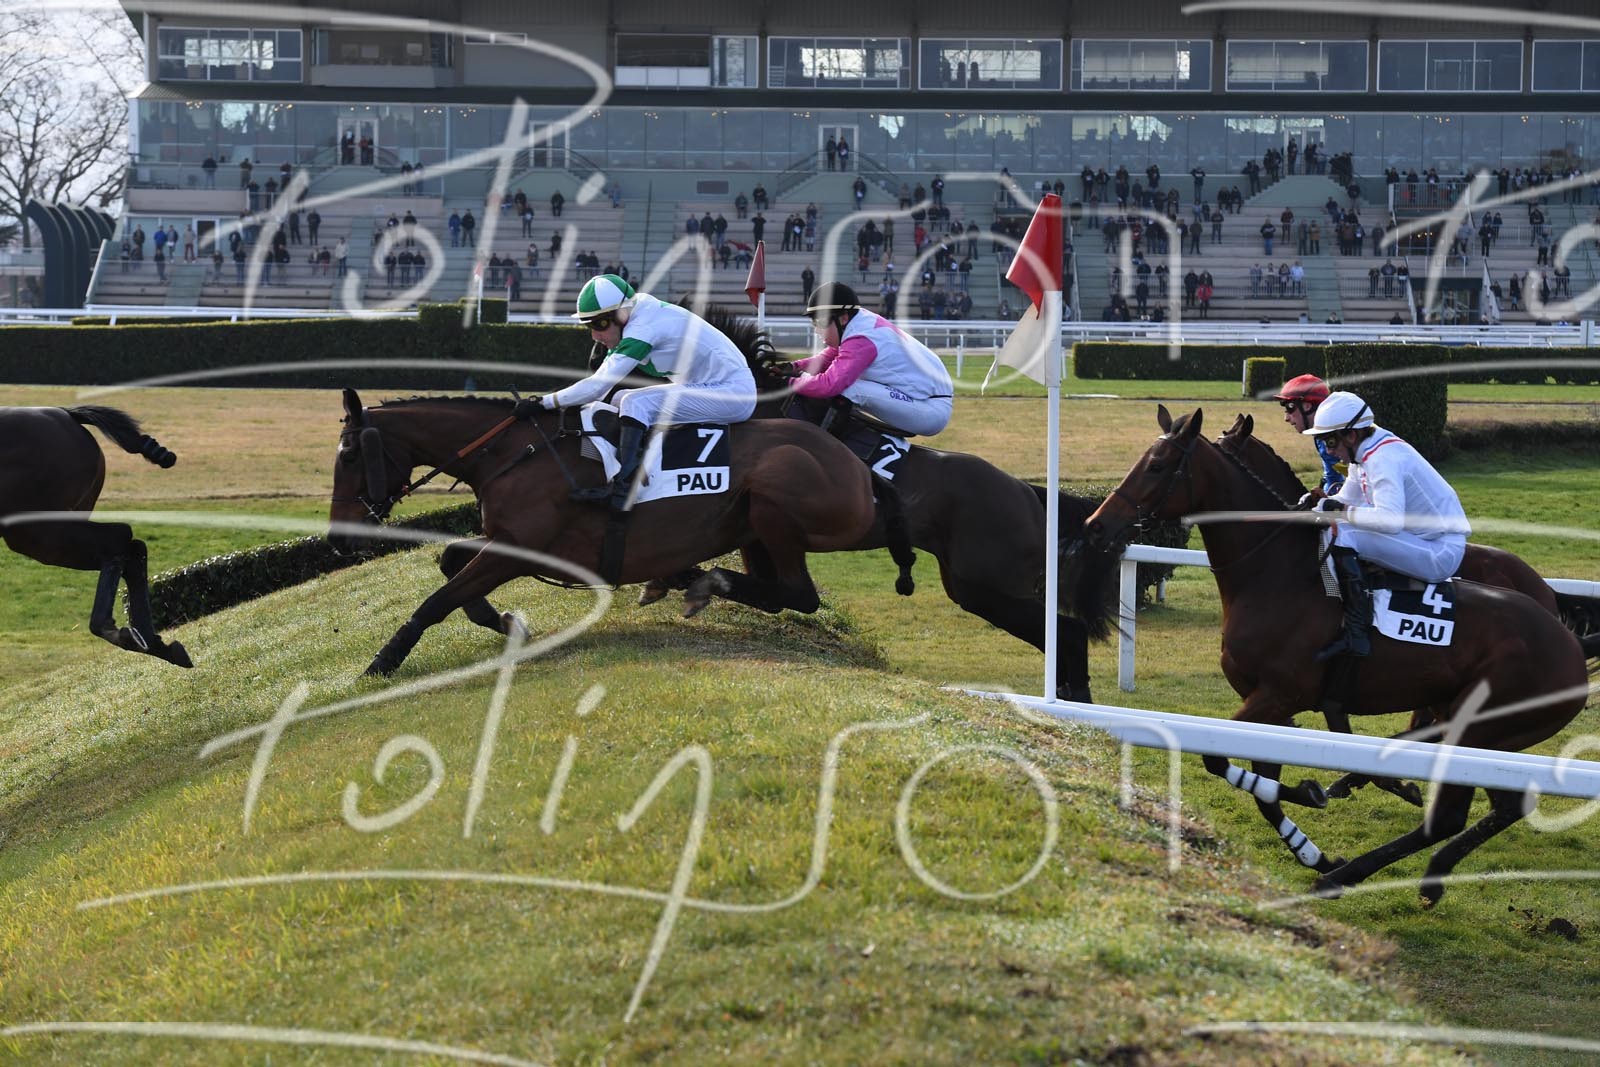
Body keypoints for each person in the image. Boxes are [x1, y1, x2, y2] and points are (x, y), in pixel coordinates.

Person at [522, 274, 756, 511]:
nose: (595, 335)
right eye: (589, 326)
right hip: (710, 387)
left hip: (732, 393)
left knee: (635, 402)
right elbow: (600, 389)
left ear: (621, 315)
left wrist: (542, 402)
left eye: (599, 325)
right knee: (618, 399)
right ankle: (620, 468)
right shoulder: (636, 311)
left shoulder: (643, 328)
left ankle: (624, 489)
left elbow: (595, 387)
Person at [1302, 391, 1470, 660]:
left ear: (1351, 435)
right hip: (1422, 539)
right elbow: (1345, 500)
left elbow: (1389, 520)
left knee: (1343, 532)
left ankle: (1355, 632)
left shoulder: (1383, 459)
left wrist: (1339, 511)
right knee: (1335, 525)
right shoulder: (1363, 454)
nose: (1328, 450)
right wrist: (1316, 505)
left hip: (1440, 551)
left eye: (1330, 441)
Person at [784, 282, 953, 438]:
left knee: (848, 387)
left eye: (820, 321)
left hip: (929, 410)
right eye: (814, 322)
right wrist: (794, 367)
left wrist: (787, 382)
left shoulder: (861, 339)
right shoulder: (858, 322)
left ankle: (828, 441)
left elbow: (829, 385)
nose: (816, 330)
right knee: (844, 383)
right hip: (924, 400)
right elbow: (829, 356)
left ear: (843, 318)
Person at [1274, 374, 1345, 494]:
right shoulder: (1321, 437)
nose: (1286, 418)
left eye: (1290, 407)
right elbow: (1332, 478)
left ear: (1307, 406)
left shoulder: (1341, 435)